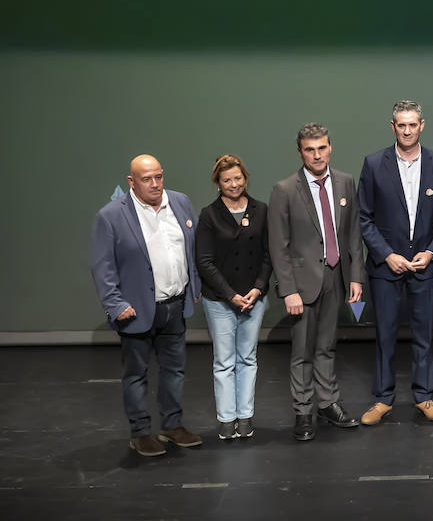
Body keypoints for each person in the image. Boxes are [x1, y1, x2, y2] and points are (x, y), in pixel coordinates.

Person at [90, 154, 203, 457]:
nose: (155, 184)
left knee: (174, 371)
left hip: (175, 305)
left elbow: (191, 250)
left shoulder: (180, 203)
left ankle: (172, 425)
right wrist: (115, 303)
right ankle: (140, 432)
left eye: (159, 176)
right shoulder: (112, 215)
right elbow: (103, 267)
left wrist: (194, 287)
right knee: (136, 373)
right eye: (146, 179)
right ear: (132, 181)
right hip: (136, 309)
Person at [267, 123, 366, 441]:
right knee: (301, 352)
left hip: (336, 278)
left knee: (327, 347)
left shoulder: (345, 182)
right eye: (310, 149)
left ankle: (328, 403)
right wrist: (288, 290)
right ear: (300, 153)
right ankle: (303, 412)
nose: (317, 154)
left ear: (330, 147)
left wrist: (355, 277)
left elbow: (353, 234)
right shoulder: (284, 189)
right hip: (302, 284)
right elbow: (278, 246)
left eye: (321, 147)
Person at [357, 101, 433, 426]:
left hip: (424, 266)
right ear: (393, 126)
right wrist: (387, 255)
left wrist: (431, 252)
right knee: (384, 335)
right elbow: (364, 218)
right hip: (386, 268)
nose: (407, 130)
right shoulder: (373, 164)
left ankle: (424, 397)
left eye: (412, 125)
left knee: (424, 335)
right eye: (401, 125)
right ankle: (383, 399)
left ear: (422, 125)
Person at [194, 154, 272, 441]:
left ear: (246, 178)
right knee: (224, 361)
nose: (233, 184)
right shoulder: (209, 215)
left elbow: (268, 254)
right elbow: (204, 261)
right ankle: (227, 419)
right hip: (220, 300)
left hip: (254, 297)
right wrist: (230, 295)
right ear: (218, 183)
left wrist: (258, 288)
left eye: (237, 178)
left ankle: (245, 417)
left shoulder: (261, 210)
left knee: (248, 358)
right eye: (227, 180)